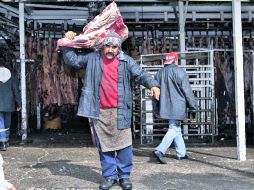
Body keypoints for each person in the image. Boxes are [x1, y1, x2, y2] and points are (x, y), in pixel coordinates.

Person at [61, 31, 160, 190]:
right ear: (103, 45)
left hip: (120, 109)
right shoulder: (93, 58)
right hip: (99, 111)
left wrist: (153, 85)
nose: (111, 50)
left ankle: (124, 176)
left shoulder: (126, 61)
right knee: (105, 147)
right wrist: (66, 42)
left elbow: (141, 74)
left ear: (118, 48)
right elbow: (73, 60)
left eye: (114, 47)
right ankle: (109, 176)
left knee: (124, 146)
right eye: (108, 46)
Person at [152, 52, 197, 164]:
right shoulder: (180, 72)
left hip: (164, 106)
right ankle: (160, 150)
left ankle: (181, 153)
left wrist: (156, 109)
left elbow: (155, 94)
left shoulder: (158, 73)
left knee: (176, 128)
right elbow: (187, 91)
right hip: (178, 106)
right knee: (174, 128)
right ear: (175, 60)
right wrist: (193, 106)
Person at [0, 59, 21, 151]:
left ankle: (3, 141)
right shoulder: (12, 75)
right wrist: (19, 103)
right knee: (7, 122)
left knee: (0, 122)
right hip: (9, 103)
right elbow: (16, 91)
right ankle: (6, 140)